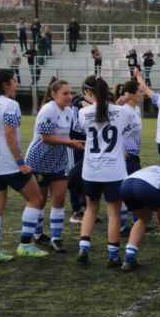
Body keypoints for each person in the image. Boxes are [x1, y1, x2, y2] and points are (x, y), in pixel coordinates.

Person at [0, 69, 49, 264]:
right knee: (36, 199)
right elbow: (9, 136)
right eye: (14, 81)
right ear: (4, 85)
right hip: (9, 164)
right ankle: (25, 245)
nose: (17, 84)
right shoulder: (10, 105)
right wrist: (21, 163)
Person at [76, 77, 135, 266]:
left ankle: (83, 249)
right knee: (114, 214)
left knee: (90, 210)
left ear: (89, 92)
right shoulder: (122, 111)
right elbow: (123, 130)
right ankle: (112, 255)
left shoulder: (83, 112)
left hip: (91, 169)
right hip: (113, 170)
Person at [24, 78, 85, 253]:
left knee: (59, 199)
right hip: (39, 160)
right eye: (65, 93)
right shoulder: (48, 109)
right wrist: (69, 143)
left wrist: (80, 142)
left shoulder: (68, 111)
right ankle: (38, 235)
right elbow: (45, 137)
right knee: (40, 200)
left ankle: (56, 239)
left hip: (58, 161)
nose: (69, 96)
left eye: (70, 92)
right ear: (53, 94)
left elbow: (71, 133)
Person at [114, 79, 145, 236]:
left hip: (134, 154)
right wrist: (122, 150)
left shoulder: (136, 110)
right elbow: (114, 132)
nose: (143, 94)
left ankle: (135, 221)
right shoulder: (124, 111)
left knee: (134, 189)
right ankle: (120, 227)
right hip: (126, 155)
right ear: (131, 95)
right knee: (128, 190)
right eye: (140, 91)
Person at [68, 76, 96, 224]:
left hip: (92, 145)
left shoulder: (100, 104)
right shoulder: (77, 103)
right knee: (75, 175)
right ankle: (76, 210)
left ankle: (87, 208)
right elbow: (75, 126)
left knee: (89, 176)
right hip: (76, 144)